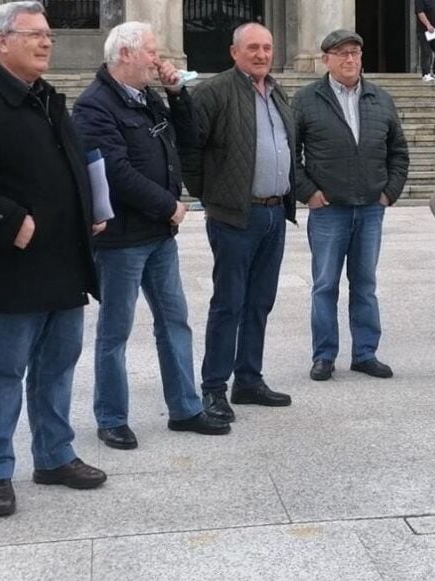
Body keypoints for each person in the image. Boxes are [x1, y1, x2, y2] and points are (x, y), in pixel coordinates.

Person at [0, 1, 110, 519]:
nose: (45, 43)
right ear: (1, 41)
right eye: (34, 34)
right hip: (10, 264)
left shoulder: (49, 100)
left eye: (48, 35)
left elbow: (71, 165)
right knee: (4, 371)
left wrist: (90, 210)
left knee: (58, 366)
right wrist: (10, 220)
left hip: (64, 258)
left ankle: (54, 456)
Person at [71, 22, 232, 451]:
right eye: (152, 52)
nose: (159, 60)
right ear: (125, 54)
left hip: (159, 236)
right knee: (115, 331)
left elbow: (188, 138)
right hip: (122, 238)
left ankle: (184, 407)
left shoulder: (148, 98)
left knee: (174, 320)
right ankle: (111, 418)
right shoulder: (94, 106)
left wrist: (178, 94)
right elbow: (114, 172)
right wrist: (169, 205)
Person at [178, 22, 298, 421]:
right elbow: (190, 149)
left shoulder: (277, 91)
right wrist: (210, 195)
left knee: (260, 302)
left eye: (266, 47)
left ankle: (249, 380)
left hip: (274, 212)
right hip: (235, 215)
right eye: (252, 48)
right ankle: (214, 387)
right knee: (228, 303)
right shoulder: (214, 91)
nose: (261, 55)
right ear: (234, 52)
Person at [292, 29, 409, 381]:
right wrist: (308, 192)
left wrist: (389, 192)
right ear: (326, 59)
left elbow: (398, 152)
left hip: (371, 208)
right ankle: (324, 355)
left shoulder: (380, 98)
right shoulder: (306, 99)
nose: (350, 59)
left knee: (365, 284)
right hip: (329, 210)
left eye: (355, 53)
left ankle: (365, 353)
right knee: (325, 284)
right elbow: (289, 155)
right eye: (342, 53)